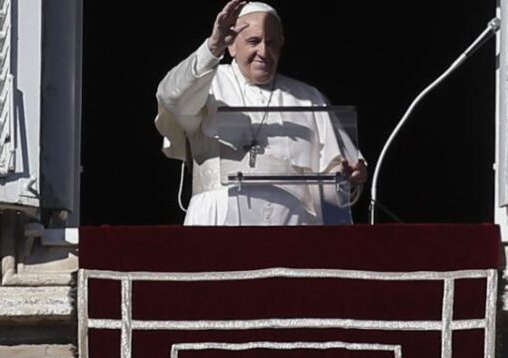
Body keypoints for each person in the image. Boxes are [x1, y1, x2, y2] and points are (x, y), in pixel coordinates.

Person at [155, 0, 367, 225]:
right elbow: (172, 97)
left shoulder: (308, 97)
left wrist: (345, 177)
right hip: (218, 223)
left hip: (293, 230)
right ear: (232, 45)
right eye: (253, 41)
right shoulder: (206, 84)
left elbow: (333, 188)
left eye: (272, 43)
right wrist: (212, 47)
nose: (264, 52)